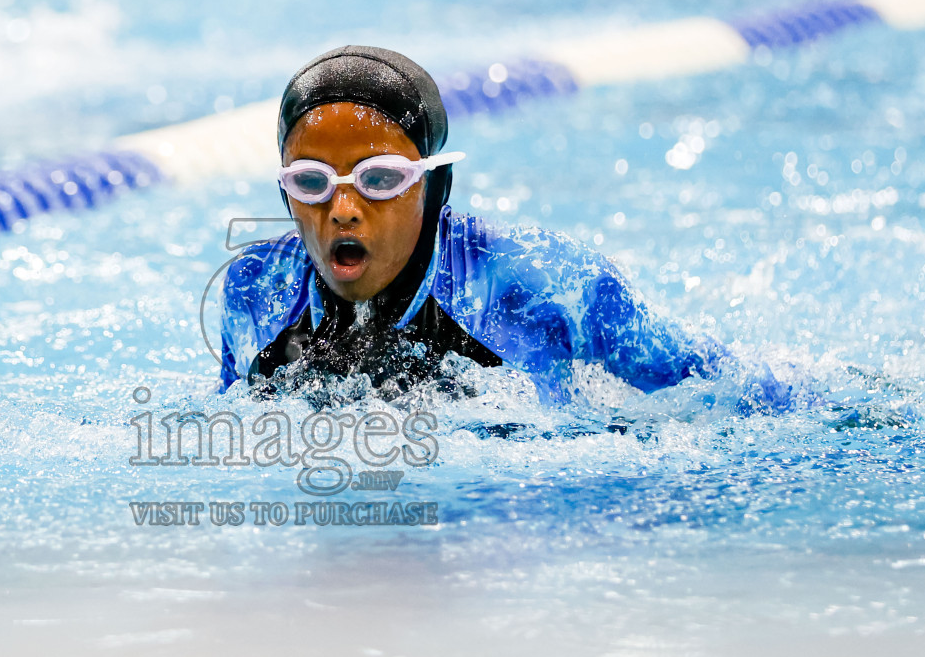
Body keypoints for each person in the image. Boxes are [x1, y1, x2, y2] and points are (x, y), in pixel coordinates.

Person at [219, 45, 770, 407]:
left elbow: (720, 388)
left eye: (379, 179)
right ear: (285, 194)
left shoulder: (543, 283)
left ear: (435, 186)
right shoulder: (256, 288)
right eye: (312, 182)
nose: (342, 208)